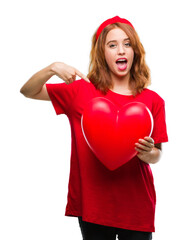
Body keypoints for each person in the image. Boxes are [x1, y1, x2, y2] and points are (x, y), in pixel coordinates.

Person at [20, 16, 168, 240]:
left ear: (135, 51)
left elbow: (157, 154)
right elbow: (28, 91)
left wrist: (148, 153)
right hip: (94, 208)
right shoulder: (80, 92)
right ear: (102, 53)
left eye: (127, 44)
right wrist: (52, 68)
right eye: (112, 45)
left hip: (137, 207)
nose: (121, 50)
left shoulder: (153, 100)